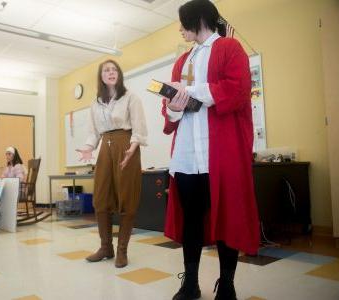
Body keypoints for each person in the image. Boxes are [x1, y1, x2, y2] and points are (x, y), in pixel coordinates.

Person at [161, 1, 260, 299]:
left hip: (221, 152)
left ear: (198, 19)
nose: (180, 29)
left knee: (227, 217)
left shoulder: (230, 48)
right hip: (188, 155)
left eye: (182, 23)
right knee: (191, 220)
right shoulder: (181, 61)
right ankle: (190, 282)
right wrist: (175, 108)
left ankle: (226, 285)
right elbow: (170, 115)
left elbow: (238, 90)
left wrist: (190, 92)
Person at [77, 59, 147, 268]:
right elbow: (93, 132)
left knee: (126, 196)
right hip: (105, 149)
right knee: (100, 197)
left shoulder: (130, 97)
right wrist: (89, 147)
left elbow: (139, 127)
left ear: (119, 74)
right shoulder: (96, 102)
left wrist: (132, 148)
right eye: (106, 70)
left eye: (114, 69)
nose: (111, 72)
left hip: (127, 145)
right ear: (101, 76)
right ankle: (105, 247)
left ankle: (122, 250)